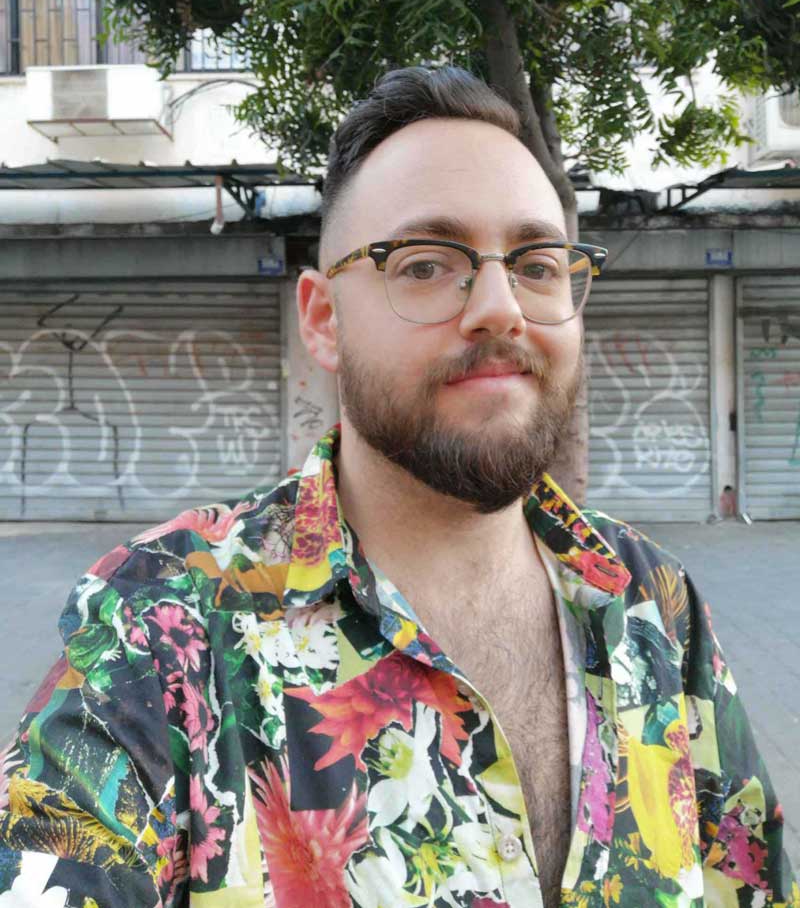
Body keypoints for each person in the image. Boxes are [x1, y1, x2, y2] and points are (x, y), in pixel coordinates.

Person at [0, 66, 796, 908]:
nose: (501, 306)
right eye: (424, 263)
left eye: (537, 263)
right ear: (322, 319)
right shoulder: (159, 628)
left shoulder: (656, 606)